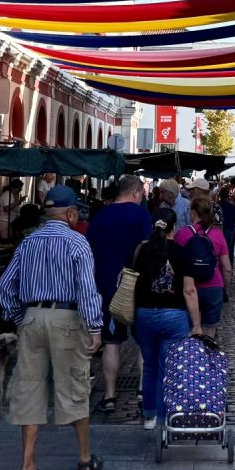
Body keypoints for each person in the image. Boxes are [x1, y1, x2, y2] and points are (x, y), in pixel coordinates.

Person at [0, 183, 104, 470]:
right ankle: (84, 459)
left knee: (28, 387)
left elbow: (5, 286)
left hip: (32, 317)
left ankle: (27, 466)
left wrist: (21, 318)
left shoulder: (27, 242)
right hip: (67, 318)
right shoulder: (77, 242)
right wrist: (95, 328)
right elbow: (87, 290)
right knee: (74, 386)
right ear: (70, 213)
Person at [130, 207, 202, 429]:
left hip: (144, 314)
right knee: (169, 367)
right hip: (174, 316)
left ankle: (150, 415)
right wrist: (197, 324)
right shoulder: (182, 252)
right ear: (174, 228)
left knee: (150, 366)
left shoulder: (141, 252)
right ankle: (165, 416)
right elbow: (189, 291)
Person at [86, 174, 150, 412]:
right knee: (144, 342)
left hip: (107, 286)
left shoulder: (100, 216)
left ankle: (110, 395)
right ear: (135, 192)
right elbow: (147, 248)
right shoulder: (141, 215)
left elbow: (89, 255)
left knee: (111, 342)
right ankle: (143, 392)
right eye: (142, 193)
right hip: (137, 285)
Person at [179, 198, 231, 338]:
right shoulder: (217, 234)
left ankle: (193, 357)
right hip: (214, 286)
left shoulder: (183, 233)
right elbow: (226, 267)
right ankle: (208, 357)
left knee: (191, 330)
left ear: (193, 212)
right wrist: (224, 287)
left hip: (189, 287)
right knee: (210, 330)